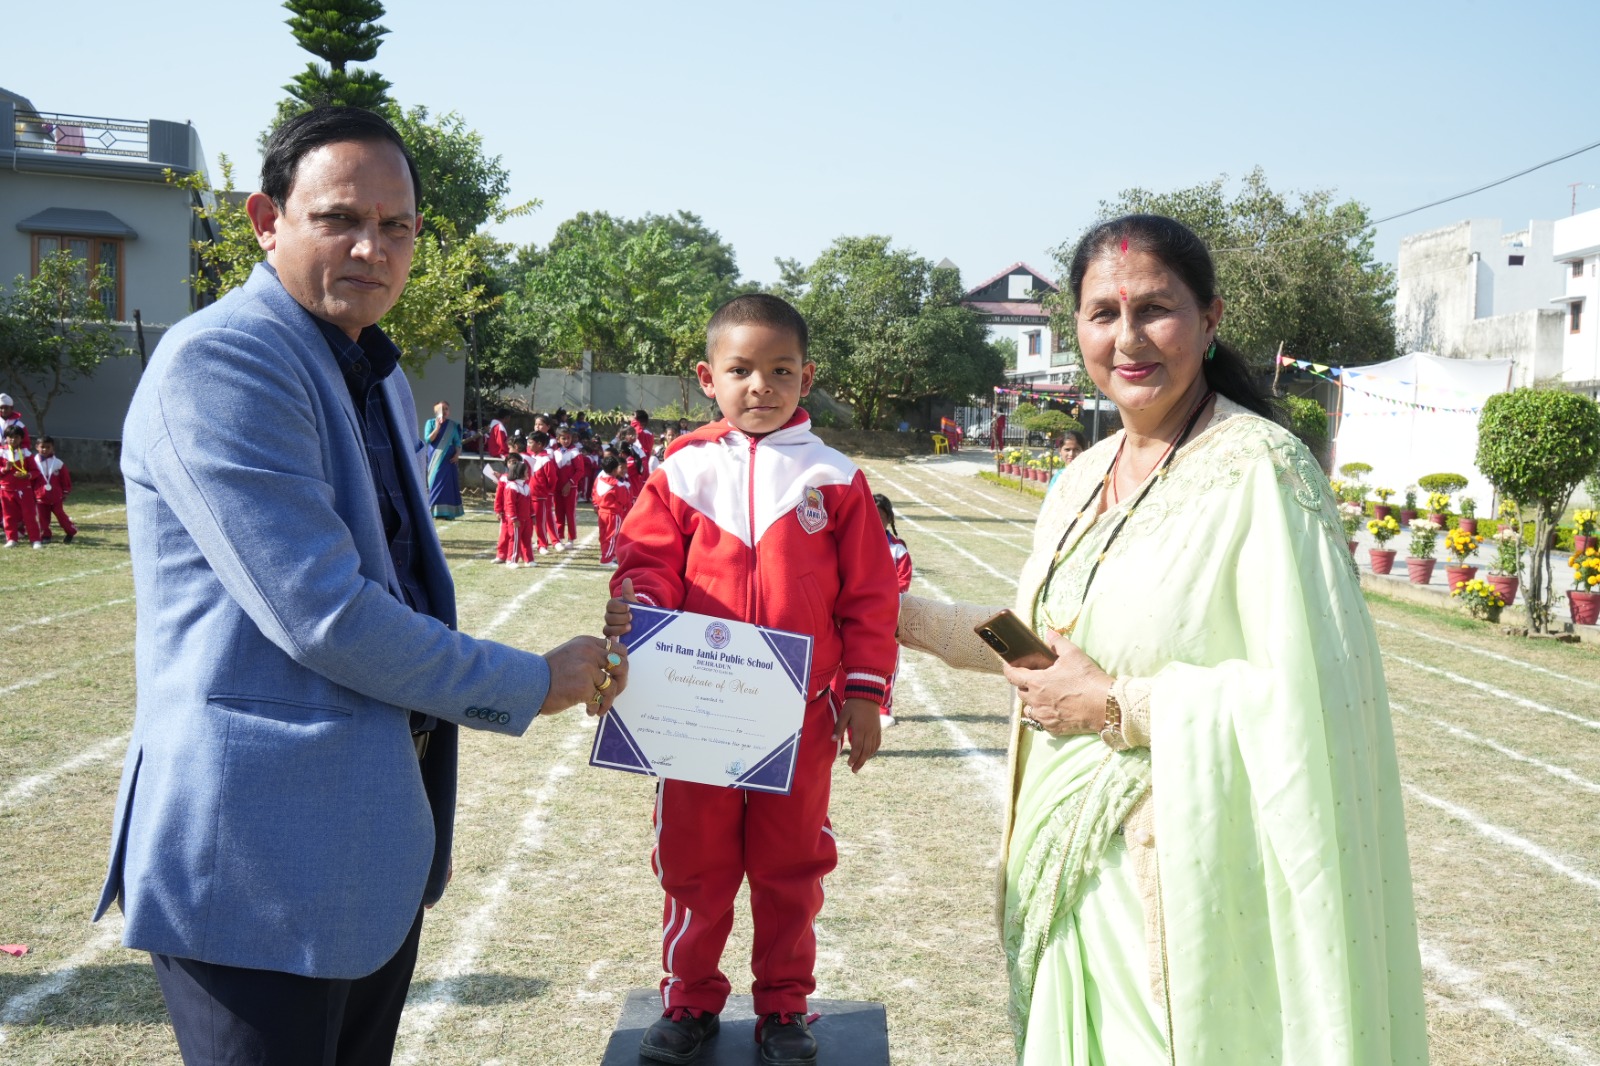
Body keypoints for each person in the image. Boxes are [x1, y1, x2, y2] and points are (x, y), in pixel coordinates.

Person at [95, 106, 630, 1066]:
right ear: (267, 220)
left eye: (397, 226)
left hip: (365, 849)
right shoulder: (225, 360)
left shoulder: (370, 366)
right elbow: (326, 615)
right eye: (339, 218)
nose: (372, 249)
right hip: (254, 863)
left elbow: (403, 581)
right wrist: (528, 681)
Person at [894, 215, 1425, 1065]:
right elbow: (1041, 644)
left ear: (1209, 320)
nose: (1128, 339)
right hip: (1064, 870)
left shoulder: (1262, 469)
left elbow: (1313, 696)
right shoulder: (1082, 476)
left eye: (1154, 309)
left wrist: (1116, 705)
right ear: (1076, 328)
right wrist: (891, 615)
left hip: (1190, 877)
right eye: (1103, 313)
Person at [604, 293, 900, 1066]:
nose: (760, 386)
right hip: (695, 710)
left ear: (807, 377)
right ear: (708, 378)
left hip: (799, 715)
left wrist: (864, 694)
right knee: (693, 861)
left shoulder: (834, 476)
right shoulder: (682, 469)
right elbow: (646, 564)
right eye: (741, 370)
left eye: (780, 370)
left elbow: (870, 597)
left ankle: (784, 1005)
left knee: (790, 865)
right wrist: (641, 615)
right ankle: (690, 998)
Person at [831, 493, 913, 728]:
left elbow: (903, 581)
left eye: (881, 517)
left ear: (889, 520)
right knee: (843, 659)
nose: (876, 522)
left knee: (884, 661)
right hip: (852, 612)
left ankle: (883, 708)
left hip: (887, 614)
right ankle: (838, 703)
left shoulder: (897, 550)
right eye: (872, 516)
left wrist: (878, 597)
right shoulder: (853, 542)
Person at [0, 425, 44, 548]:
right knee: (8, 516)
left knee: (29, 515)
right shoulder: (1, 452)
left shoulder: (26, 453)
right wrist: (4, 469)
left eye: (16, 437)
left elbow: (35, 471)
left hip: (24, 489)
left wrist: (27, 475)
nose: (13, 440)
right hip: (6, 489)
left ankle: (35, 540)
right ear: (5, 438)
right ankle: (11, 539)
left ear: (21, 439)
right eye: (10, 437)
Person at [494, 454, 535, 568]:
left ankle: (528, 559)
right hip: (516, 520)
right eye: (526, 472)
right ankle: (511, 560)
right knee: (514, 539)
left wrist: (532, 515)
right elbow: (510, 504)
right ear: (520, 473)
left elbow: (530, 503)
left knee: (527, 539)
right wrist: (513, 518)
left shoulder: (526, 486)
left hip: (526, 519)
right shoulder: (511, 487)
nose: (528, 473)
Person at [424, 400, 463, 519]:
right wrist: (437, 428)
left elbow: (457, 442)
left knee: (448, 485)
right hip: (435, 458)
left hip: (449, 460)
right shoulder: (430, 423)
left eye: (446, 408)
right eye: (441, 409)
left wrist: (457, 454)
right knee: (435, 483)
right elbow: (428, 439)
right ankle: (433, 511)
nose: (444, 411)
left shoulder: (453, 425)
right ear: (436, 411)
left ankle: (448, 513)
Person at [34, 436, 77, 544]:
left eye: (48, 447)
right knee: (42, 518)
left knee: (60, 515)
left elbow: (65, 478)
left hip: (56, 496)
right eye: (42, 447)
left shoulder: (58, 463)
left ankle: (70, 531)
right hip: (40, 496)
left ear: (53, 448)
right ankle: (45, 536)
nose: (45, 449)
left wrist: (65, 491)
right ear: (37, 447)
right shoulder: (33, 463)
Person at [591, 453, 632, 566]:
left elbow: (595, 493)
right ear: (614, 470)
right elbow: (624, 500)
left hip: (602, 512)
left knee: (604, 535)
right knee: (612, 536)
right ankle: (607, 559)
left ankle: (606, 554)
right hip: (613, 513)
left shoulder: (599, 479)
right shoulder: (618, 484)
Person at [524, 430, 561, 554]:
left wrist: (547, 491)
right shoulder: (531, 458)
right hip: (529, 495)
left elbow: (552, 478)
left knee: (540, 521)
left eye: (531, 443)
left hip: (540, 496)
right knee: (531, 521)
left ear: (539, 444)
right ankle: (534, 543)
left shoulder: (545, 460)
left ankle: (543, 545)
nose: (528, 445)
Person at [551, 426, 581, 547]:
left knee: (570, 513)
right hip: (557, 488)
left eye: (568, 438)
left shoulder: (575, 452)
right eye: (563, 438)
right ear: (558, 439)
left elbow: (580, 471)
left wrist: (570, 483)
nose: (566, 440)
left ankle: (571, 538)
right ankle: (559, 537)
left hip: (570, 488)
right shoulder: (555, 453)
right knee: (558, 513)